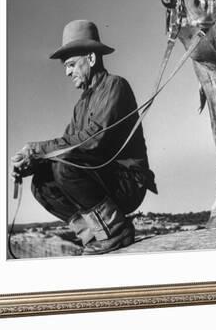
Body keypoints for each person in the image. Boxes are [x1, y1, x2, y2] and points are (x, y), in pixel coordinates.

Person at [11, 19, 157, 255]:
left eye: (70, 65)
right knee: (41, 183)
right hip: (104, 180)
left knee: (64, 167)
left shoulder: (115, 86)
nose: (67, 72)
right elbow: (65, 146)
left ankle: (116, 232)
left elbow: (91, 141)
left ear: (91, 59)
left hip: (128, 183)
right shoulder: (81, 105)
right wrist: (30, 164)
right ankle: (92, 235)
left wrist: (36, 149)